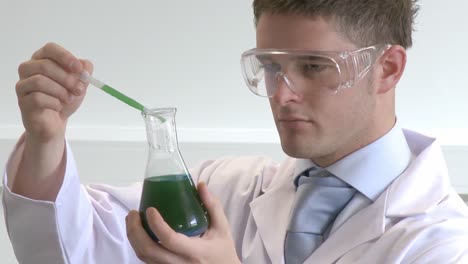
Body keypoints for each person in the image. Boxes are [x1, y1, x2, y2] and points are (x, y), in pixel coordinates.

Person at [3, 0, 468, 263]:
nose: (281, 94)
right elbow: (75, 247)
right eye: (270, 67)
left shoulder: (441, 244)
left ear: (387, 68)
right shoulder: (229, 189)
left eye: (312, 67)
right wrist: (48, 137)